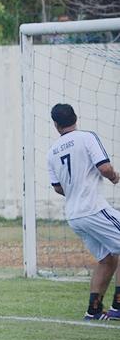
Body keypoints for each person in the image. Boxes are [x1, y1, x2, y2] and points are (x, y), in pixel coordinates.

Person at [48, 104, 120, 320]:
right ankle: (118, 307)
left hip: (75, 215)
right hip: (93, 208)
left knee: (107, 259)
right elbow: (105, 168)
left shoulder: (51, 152)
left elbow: (58, 188)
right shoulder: (87, 137)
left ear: (56, 125)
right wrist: (114, 177)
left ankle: (94, 310)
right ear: (75, 118)